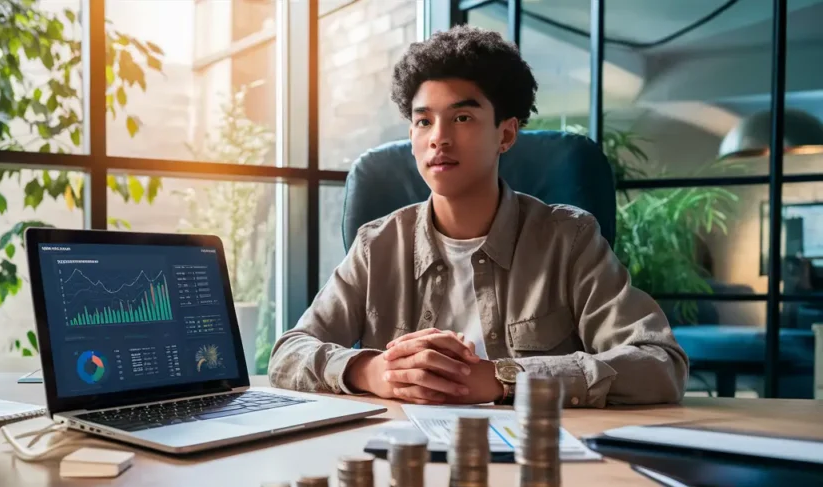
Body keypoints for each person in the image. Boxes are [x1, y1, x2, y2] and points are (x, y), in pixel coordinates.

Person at [269, 26, 688, 408]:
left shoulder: (569, 238)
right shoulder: (377, 244)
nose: (438, 138)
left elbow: (660, 362)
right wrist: (371, 371)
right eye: (423, 121)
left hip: (534, 459)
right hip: (404, 455)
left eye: (462, 117)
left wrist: (505, 378)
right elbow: (290, 352)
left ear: (505, 134)